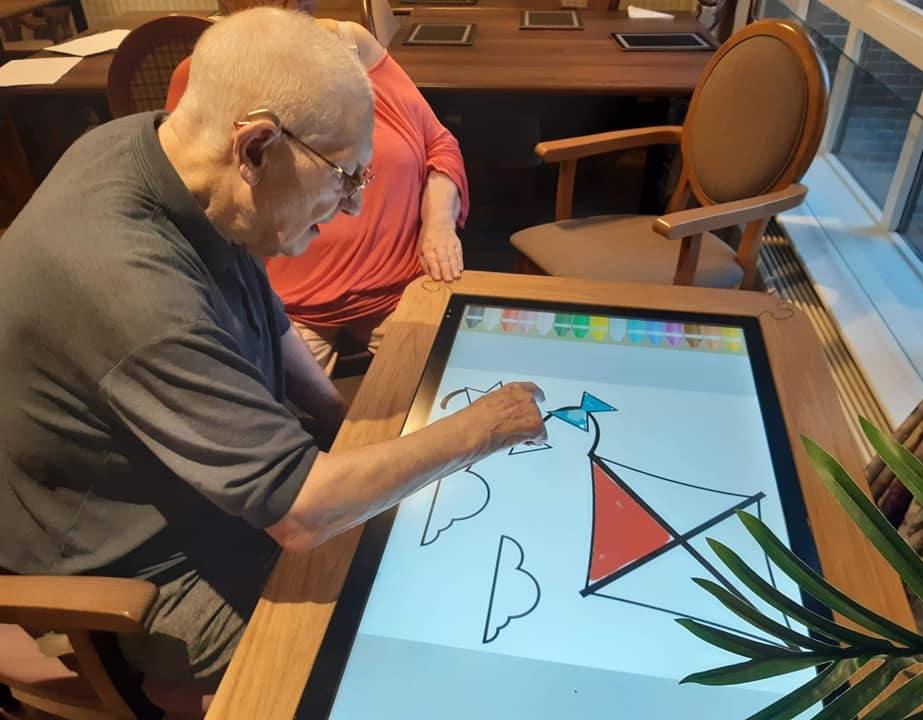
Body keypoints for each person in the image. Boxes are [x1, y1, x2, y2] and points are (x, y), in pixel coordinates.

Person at [0, 8, 544, 714]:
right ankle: (168, 684)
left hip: (179, 479)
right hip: (132, 560)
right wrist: (483, 428)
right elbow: (302, 516)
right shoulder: (133, 289)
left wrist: (340, 422)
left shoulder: (153, 149)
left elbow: (267, 313)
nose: (352, 207)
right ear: (255, 148)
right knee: (398, 630)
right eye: (345, 178)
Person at [165, 0, 469, 373]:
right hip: (289, 305)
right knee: (262, 394)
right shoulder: (213, 75)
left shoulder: (353, 46)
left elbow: (439, 143)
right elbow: (198, 206)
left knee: (454, 376)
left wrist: (439, 223)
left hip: (401, 286)